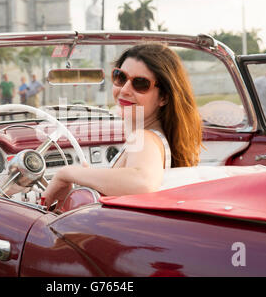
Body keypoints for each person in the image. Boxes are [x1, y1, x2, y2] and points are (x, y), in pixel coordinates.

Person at [41, 43, 203, 209]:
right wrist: (90, 178)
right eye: (120, 77)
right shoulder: (152, 137)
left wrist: (67, 173)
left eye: (140, 83)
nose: (125, 89)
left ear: (164, 97)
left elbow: (143, 182)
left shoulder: (144, 138)